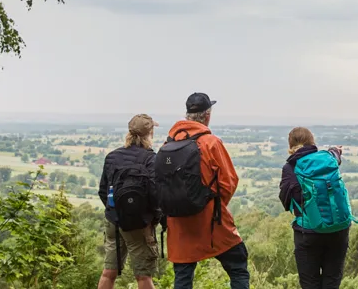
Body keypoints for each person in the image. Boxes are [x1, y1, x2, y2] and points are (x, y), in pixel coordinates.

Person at [163, 93, 249, 289]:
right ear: (207, 115)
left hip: (178, 224)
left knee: (183, 276)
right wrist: (214, 206)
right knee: (238, 265)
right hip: (211, 220)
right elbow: (228, 182)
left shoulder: (168, 144)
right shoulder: (211, 142)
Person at [279, 127, 355, 289]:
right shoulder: (328, 158)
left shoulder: (290, 167)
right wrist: (337, 150)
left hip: (308, 231)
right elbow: (335, 154)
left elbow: (286, 200)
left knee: (310, 283)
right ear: (312, 142)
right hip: (338, 229)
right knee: (332, 281)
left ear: (290, 144)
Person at [98, 114, 162, 289]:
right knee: (143, 275)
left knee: (108, 272)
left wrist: (115, 212)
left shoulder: (112, 156)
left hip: (113, 221)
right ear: (150, 133)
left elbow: (103, 191)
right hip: (138, 224)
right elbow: (155, 194)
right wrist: (153, 218)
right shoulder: (151, 158)